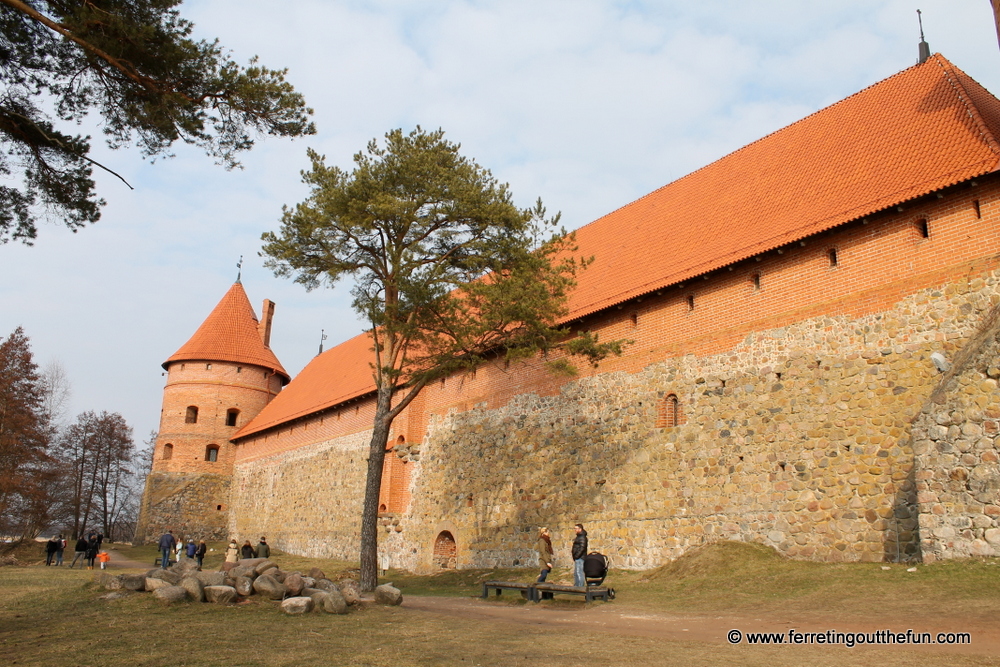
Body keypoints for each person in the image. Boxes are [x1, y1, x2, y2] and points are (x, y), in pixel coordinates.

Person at [571, 523, 588, 587]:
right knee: (576, 573)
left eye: (576, 528)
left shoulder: (582, 537)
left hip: (580, 558)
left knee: (579, 573)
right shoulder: (579, 537)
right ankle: (576, 586)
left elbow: (582, 548)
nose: (575, 530)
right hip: (577, 558)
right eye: (574, 528)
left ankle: (580, 587)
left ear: (580, 529)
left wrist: (577, 556)